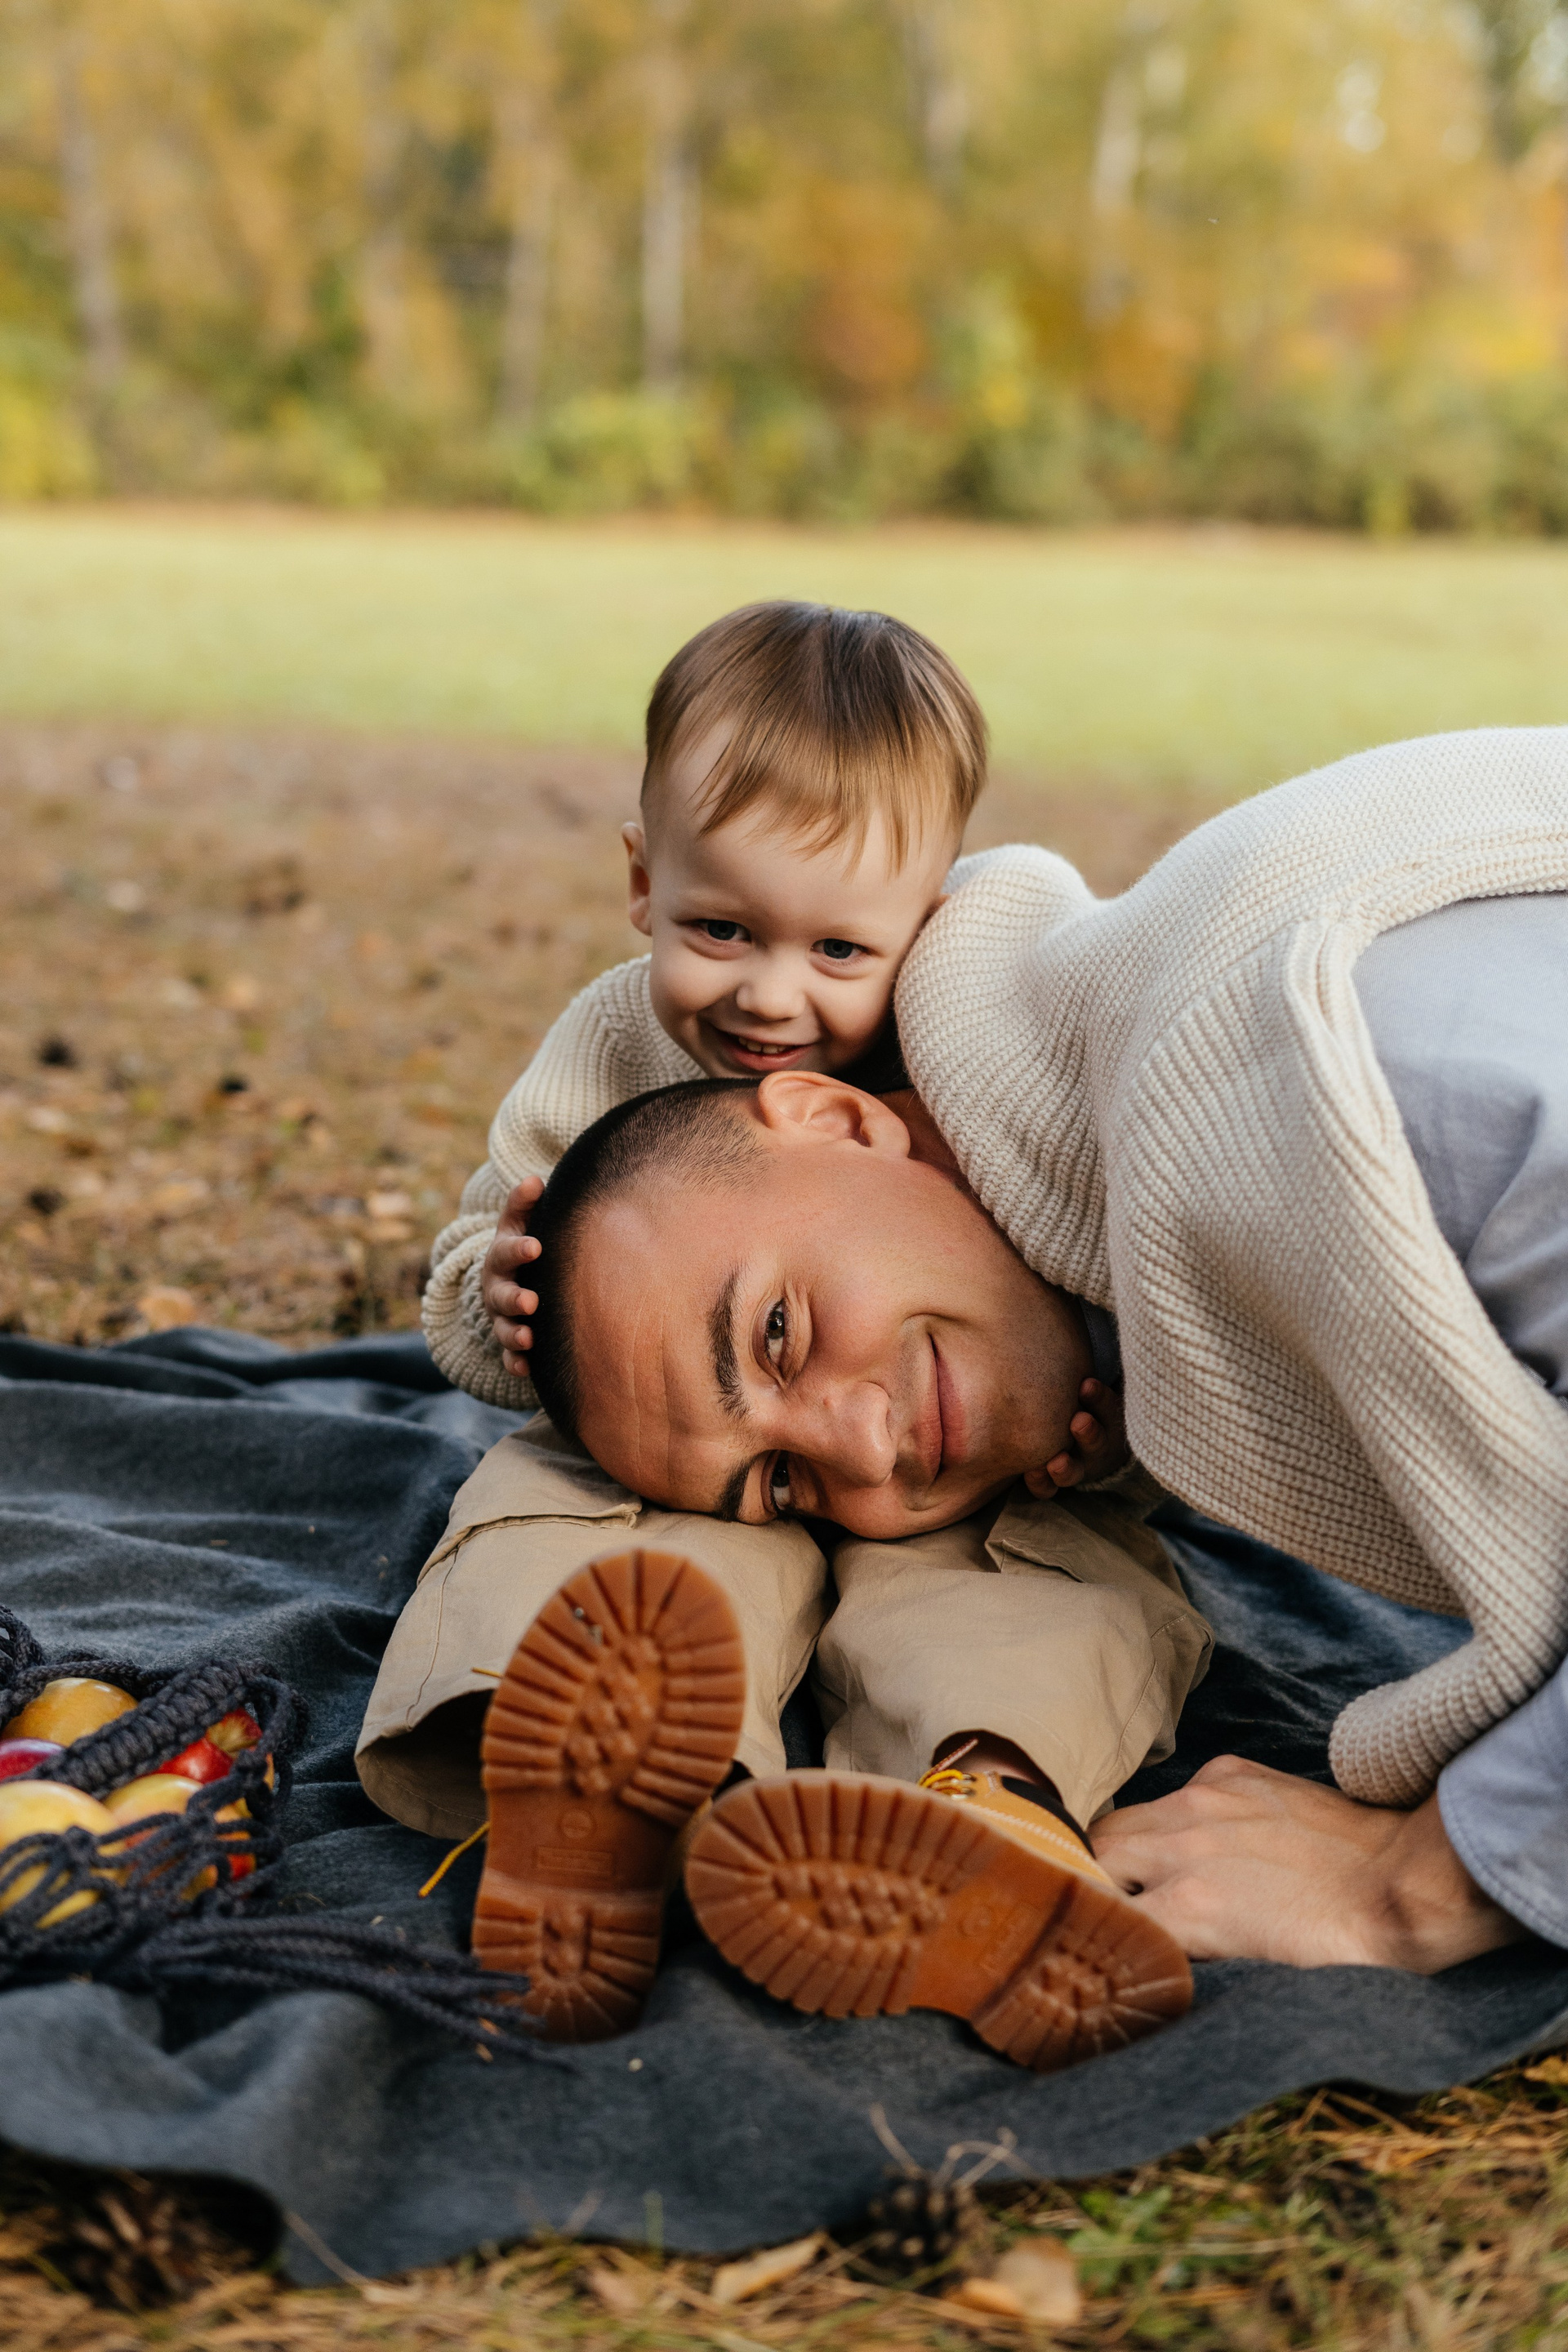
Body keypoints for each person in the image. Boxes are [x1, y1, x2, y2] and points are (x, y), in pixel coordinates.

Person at [497, 727, 1568, 2004]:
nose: (858, 1449)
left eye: (778, 1332)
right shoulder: (1116, 1160)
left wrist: (1420, 1883)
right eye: (781, 1484)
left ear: (838, 1115)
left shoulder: (1326, 1088)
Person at [359, 598, 1212, 2067]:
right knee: (574, 1512)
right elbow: (489, 1259)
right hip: (692, 1454)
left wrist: (1112, 1431)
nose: (768, 994)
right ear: (644, 882)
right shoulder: (611, 1048)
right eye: (720, 929)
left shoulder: (981, 1062)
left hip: (978, 1494)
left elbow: (1159, 1324)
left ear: (924, 923)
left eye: (837, 949)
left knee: (1047, 1594)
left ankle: (986, 1818)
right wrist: (493, 1301)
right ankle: (592, 1791)